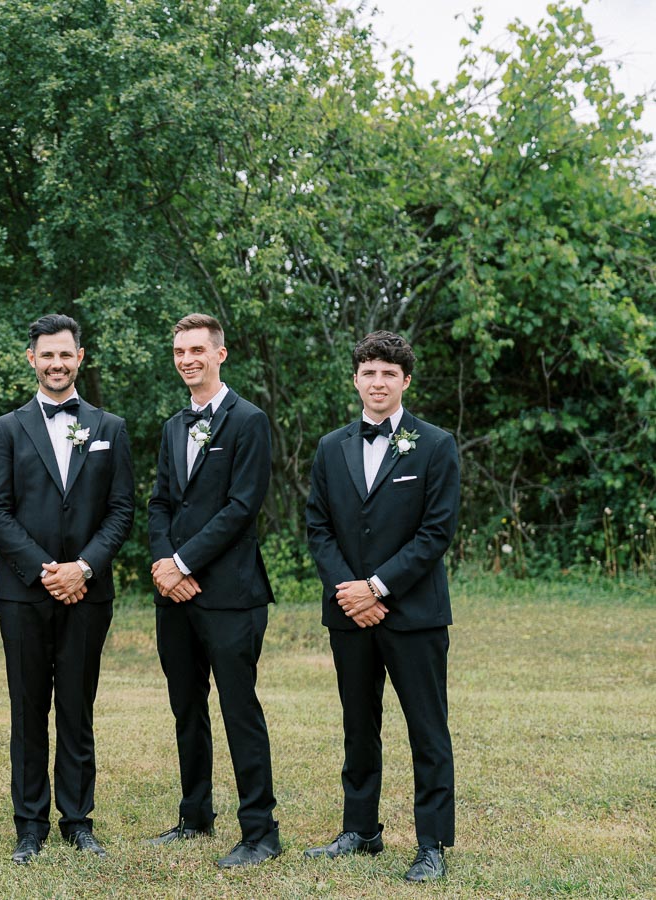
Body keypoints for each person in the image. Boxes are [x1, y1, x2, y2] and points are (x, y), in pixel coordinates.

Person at [304, 330, 459, 883]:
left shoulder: (435, 444)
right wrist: (350, 590)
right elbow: (318, 527)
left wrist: (378, 587)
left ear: (405, 381)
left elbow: (436, 532)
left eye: (389, 373)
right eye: (369, 372)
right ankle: (360, 829)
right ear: (355, 379)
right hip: (349, 613)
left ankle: (432, 844)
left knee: (427, 729)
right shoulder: (331, 447)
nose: (378, 382)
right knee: (358, 725)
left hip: (413, 614)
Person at [0, 314, 134, 864]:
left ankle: (78, 820)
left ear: (80, 357)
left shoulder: (110, 427)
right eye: (47, 355)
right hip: (24, 592)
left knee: (76, 706)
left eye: (66, 354)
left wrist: (83, 568)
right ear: (32, 359)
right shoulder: (5, 429)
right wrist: (48, 570)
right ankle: (29, 825)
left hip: (88, 593)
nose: (56, 363)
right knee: (27, 709)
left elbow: (121, 511)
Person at [145, 313, 282, 868]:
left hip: (230, 594)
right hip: (175, 596)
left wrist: (182, 562)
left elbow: (241, 508)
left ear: (220, 354)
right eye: (180, 351)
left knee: (238, 709)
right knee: (186, 706)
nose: (187, 359)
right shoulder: (173, 426)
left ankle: (261, 832)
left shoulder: (249, 421)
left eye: (197, 350)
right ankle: (195, 815)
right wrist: (163, 566)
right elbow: (159, 502)